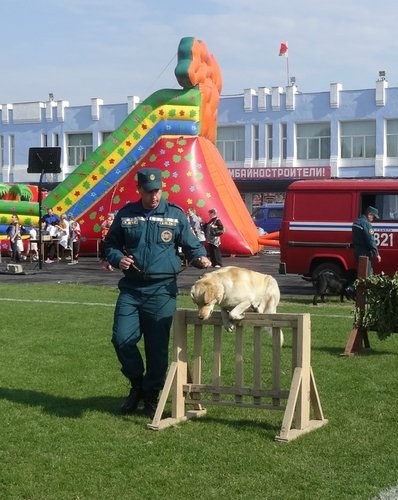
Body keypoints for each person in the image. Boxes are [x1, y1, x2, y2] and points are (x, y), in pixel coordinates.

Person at [104, 167, 212, 418]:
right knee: (121, 339)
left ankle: (152, 394)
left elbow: (190, 243)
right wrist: (118, 257)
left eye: (158, 191)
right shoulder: (126, 214)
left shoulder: (174, 214)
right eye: (150, 191)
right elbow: (110, 244)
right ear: (139, 190)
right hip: (131, 289)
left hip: (162, 290)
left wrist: (200, 257)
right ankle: (136, 384)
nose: (155, 196)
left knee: (157, 348)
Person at [352, 206, 381, 276]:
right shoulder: (366, 224)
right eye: (373, 217)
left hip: (357, 252)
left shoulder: (356, 222)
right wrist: (376, 254)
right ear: (369, 214)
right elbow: (371, 240)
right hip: (365, 254)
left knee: (361, 274)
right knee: (367, 275)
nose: (373, 219)